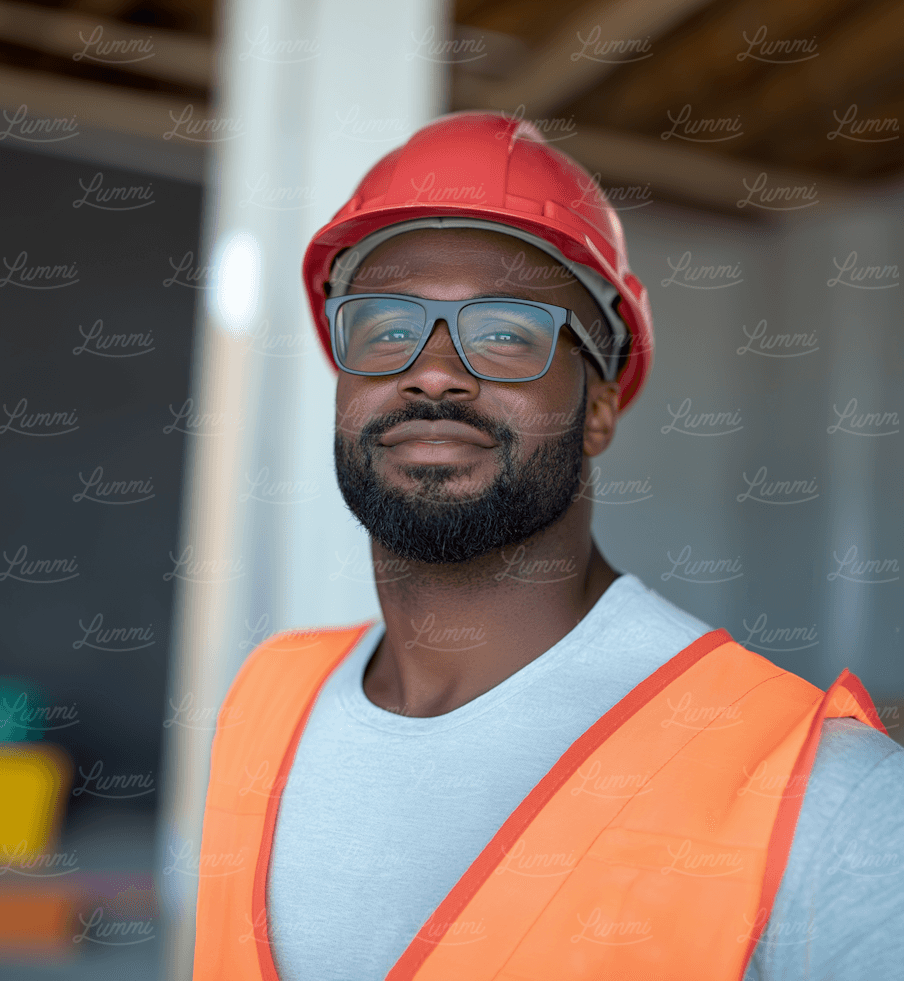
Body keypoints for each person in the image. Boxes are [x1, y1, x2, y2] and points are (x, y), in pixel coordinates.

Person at [193, 112, 903, 981]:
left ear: (599, 409)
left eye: (505, 334)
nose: (434, 369)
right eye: (383, 329)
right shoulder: (266, 699)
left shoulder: (823, 796)